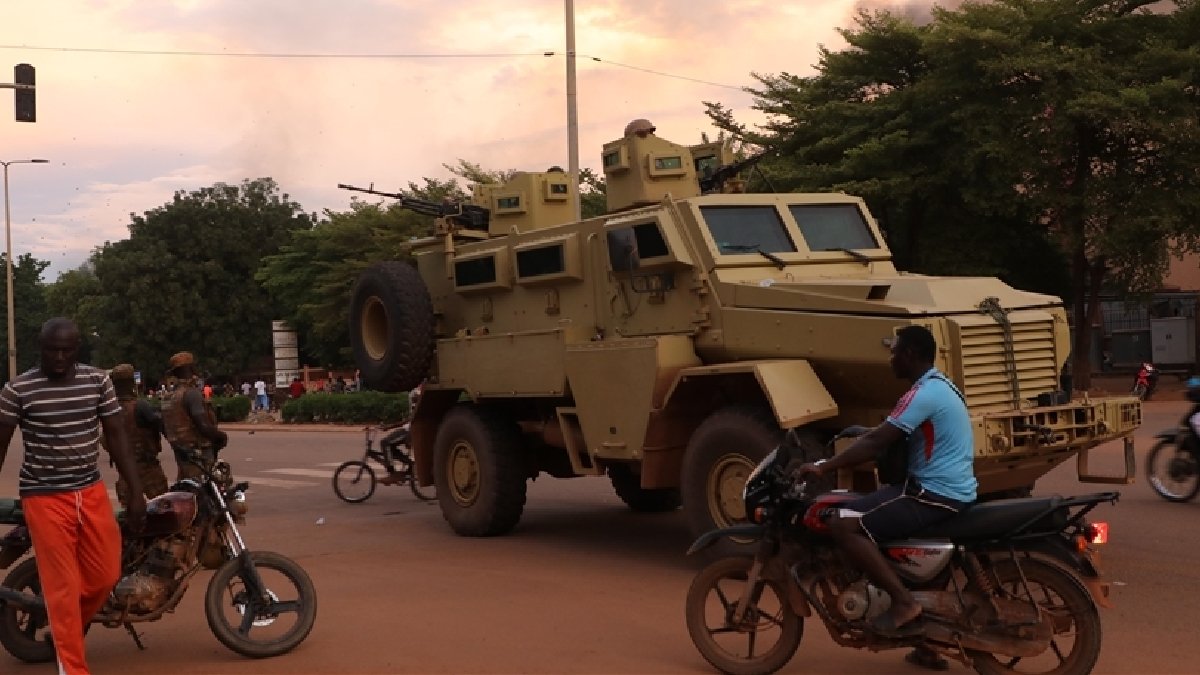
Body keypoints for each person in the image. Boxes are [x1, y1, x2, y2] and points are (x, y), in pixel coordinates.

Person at [792, 325, 976, 645]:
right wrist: (865, 432)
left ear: (910, 355)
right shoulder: (940, 385)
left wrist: (824, 466)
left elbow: (878, 442)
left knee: (843, 524)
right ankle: (928, 646)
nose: (890, 360)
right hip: (949, 489)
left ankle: (904, 602)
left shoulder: (923, 394)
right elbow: (892, 431)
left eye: (894, 353)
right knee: (861, 505)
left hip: (932, 493)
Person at [0, 317, 146, 675]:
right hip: (44, 497)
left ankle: (66, 630)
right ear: (41, 348)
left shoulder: (98, 381)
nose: (59, 358)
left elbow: (117, 439)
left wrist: (137, 492)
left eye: (67, 350)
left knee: (105, 576)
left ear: (78, 349)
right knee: (62, 589)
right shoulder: (18, 390)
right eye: (52, 350)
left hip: (90, 491)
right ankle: (72, 667)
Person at [108, 363, 170, 508]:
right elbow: (160, 425)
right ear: (132, 383)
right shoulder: (140, 406)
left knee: (130, 517)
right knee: (163, 510)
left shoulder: (110, 409)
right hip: (147, 469)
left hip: (125, 471)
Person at [161, 352, 228, 482]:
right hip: (199, 453)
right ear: (190, 368)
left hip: (182, 453)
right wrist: (220, 436)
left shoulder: (170, 396)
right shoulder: (191, 394)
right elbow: (203, 425)